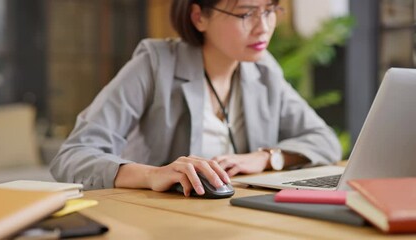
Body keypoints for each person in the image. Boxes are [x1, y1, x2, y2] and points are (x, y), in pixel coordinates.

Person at [50, 0, 342, 196]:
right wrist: (153, 175)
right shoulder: (155, 63)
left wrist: (267, 157)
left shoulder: (263, 69)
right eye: (246, 13)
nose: (263, 27)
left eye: (270, 10)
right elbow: (72, 156)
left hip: (243, 221)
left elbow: (324, 139)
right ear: (199, 16)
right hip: (157, 224)